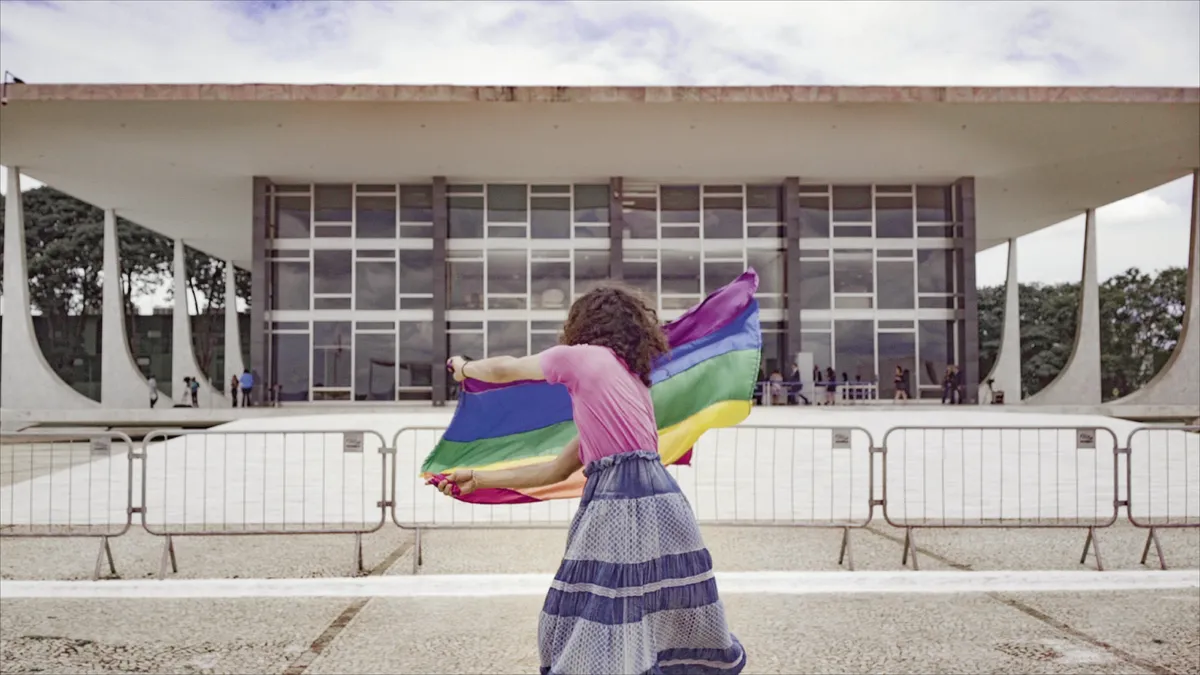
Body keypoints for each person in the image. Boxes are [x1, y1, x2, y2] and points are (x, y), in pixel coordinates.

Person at [438, 285, 746, 675]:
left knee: (594, 612)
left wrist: (464, 368)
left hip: (618, 503)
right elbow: (554, 470)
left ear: (581, 325)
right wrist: (478, 479)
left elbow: (504, 369)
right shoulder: (630, 384)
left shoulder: (582, 358)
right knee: (650, 614)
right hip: (662, 504)